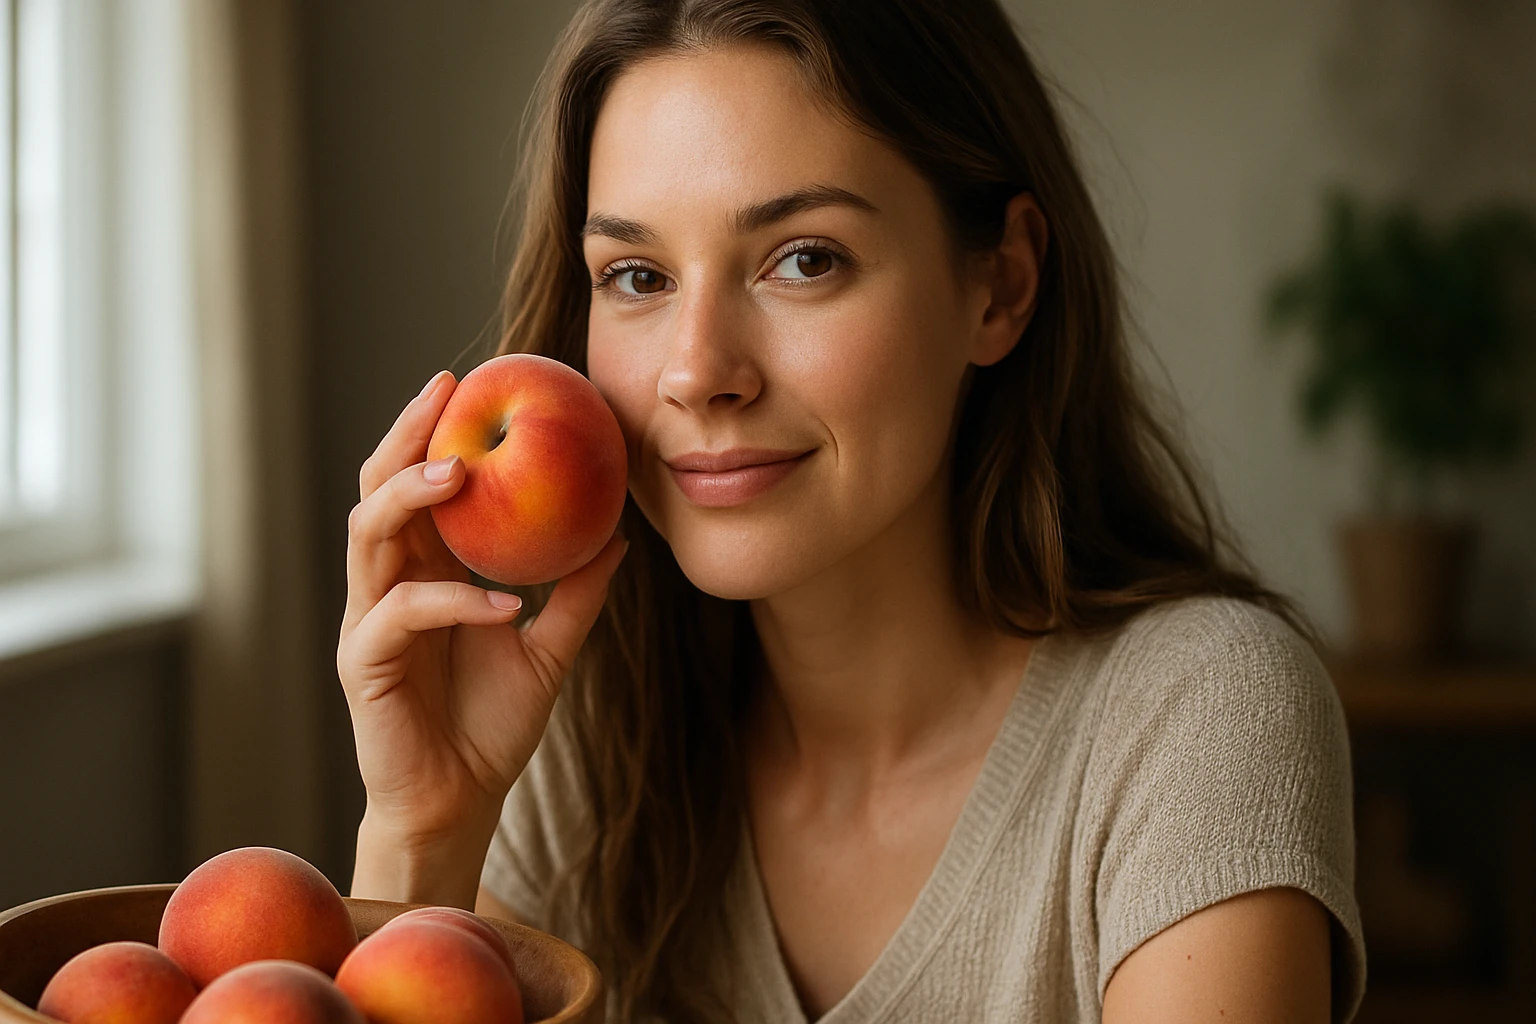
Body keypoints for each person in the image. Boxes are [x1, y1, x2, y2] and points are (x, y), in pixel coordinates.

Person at [336, 1, 1366, 1021]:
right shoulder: (592, 750)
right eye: (638, 276)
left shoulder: (1196, 718)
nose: (697, 372)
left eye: (805, 259)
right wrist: (425, 837)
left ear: (1001, 286)